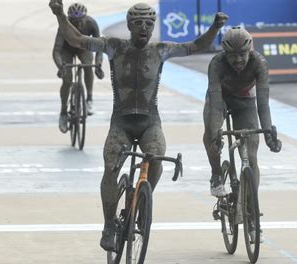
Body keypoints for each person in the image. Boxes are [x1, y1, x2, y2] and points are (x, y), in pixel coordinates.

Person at [49, 0, 228, 251]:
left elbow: (196, 46)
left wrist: (214, 27)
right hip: (121, 123)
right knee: (111, 169)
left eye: (148, 23)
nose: (144, 27)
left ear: (153, 25)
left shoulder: (161, 50)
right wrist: (59, 14)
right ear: (130, 26)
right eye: (138, 23)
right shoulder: (114, 46)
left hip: (149, 123)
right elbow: (78, 40)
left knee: (156, 157)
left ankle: (144, 198)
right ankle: (109, 225)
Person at [202, 27, 282, 241]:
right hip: (220, 98)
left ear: (250, 51)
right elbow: (216, 105)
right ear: (224, 54)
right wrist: (216, 133)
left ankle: (252, 217)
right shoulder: (216, 64)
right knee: (212, 130)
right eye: (232, 56)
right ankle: (216, 174)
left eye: (242, 55)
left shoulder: (259, 64)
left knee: (252, 156)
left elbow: (263, 105)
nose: (238, 60)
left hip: (246, 101)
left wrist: (268, 135)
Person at [52, 2, 104, 133]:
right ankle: (63, 112)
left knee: (88, 64)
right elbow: (56, 51)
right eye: (74, 22)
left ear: (85, 18)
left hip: (83, 47)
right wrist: (61, 67)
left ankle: (89, 98)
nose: (78, 24)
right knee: (67, 80)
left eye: (80, 21)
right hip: (66, 50)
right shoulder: (64, 26)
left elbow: (100, 46)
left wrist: (98, 64)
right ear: (70, 20)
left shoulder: (91, 23)